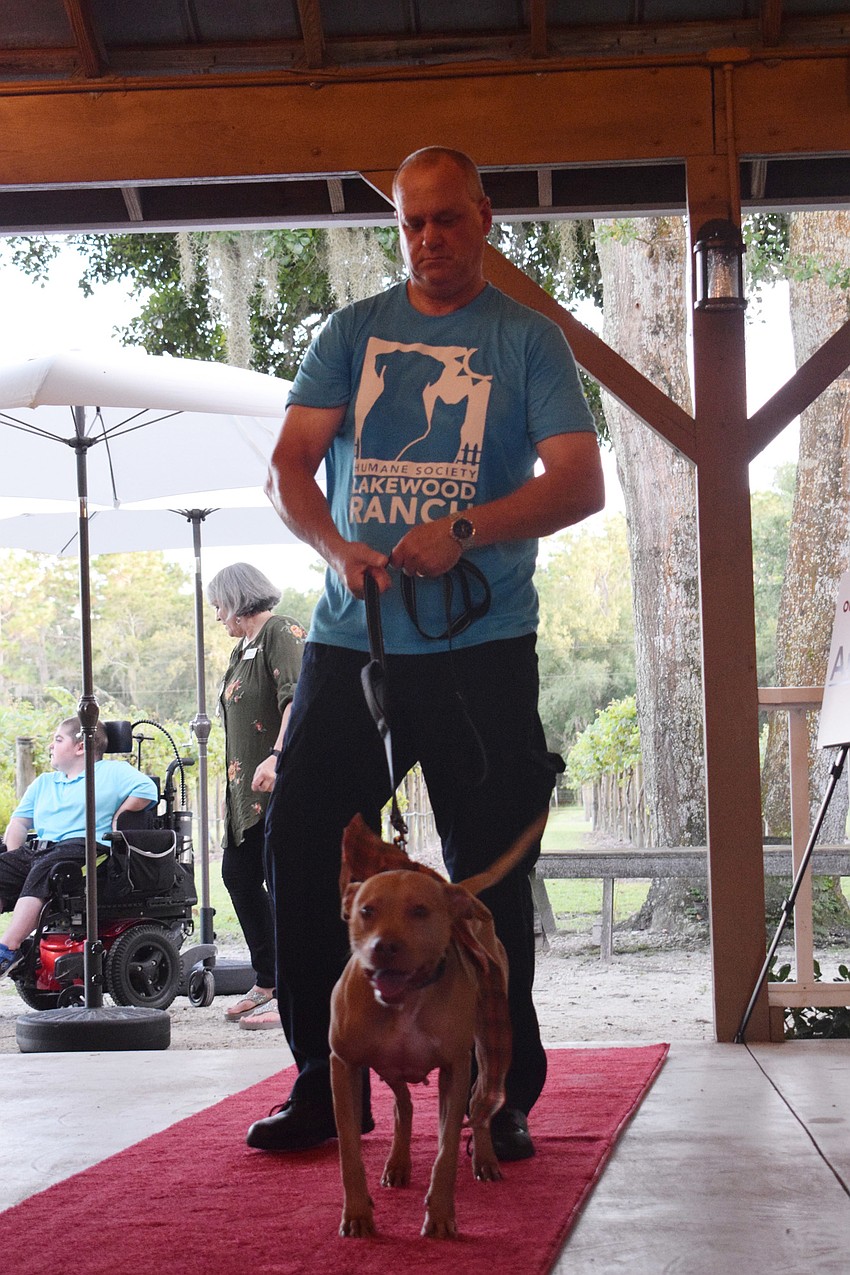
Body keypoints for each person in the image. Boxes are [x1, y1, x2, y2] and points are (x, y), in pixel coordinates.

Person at [247, 146, 605, 1158]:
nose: (430, 240)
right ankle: (325, 1086)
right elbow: (289, 467)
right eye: (412, 224)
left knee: (488, 882)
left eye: (448, 219)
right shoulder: (353, 334)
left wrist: (466, 529)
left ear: (484, 218)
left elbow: (579, 485)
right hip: (351, 640)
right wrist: (336, 546)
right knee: (299, 850)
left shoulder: (524, 341)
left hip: (480, 645)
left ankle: (503, 1090)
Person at [207, 563, 305, 1024]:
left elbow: (298, 698)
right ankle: (269, 979)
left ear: (238, 599)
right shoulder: (239, 650)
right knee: (239, 876)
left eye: (219, 606)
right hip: (244, 793)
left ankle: (294, 991)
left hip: (279, 782)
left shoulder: (280, 632)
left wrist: (278, 756)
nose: (217, 616)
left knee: (285, 883)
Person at [0, 715, 158, 975]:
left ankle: (9, 949)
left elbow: (146, 790)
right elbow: (18, 823)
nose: (51, 746)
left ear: (81, 746)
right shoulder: (44, 783)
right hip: (40, 849)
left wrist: (120, 817)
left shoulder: (112, 771)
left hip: (84, 848)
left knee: (47, 867)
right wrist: (15, 859)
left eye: (58, 739)